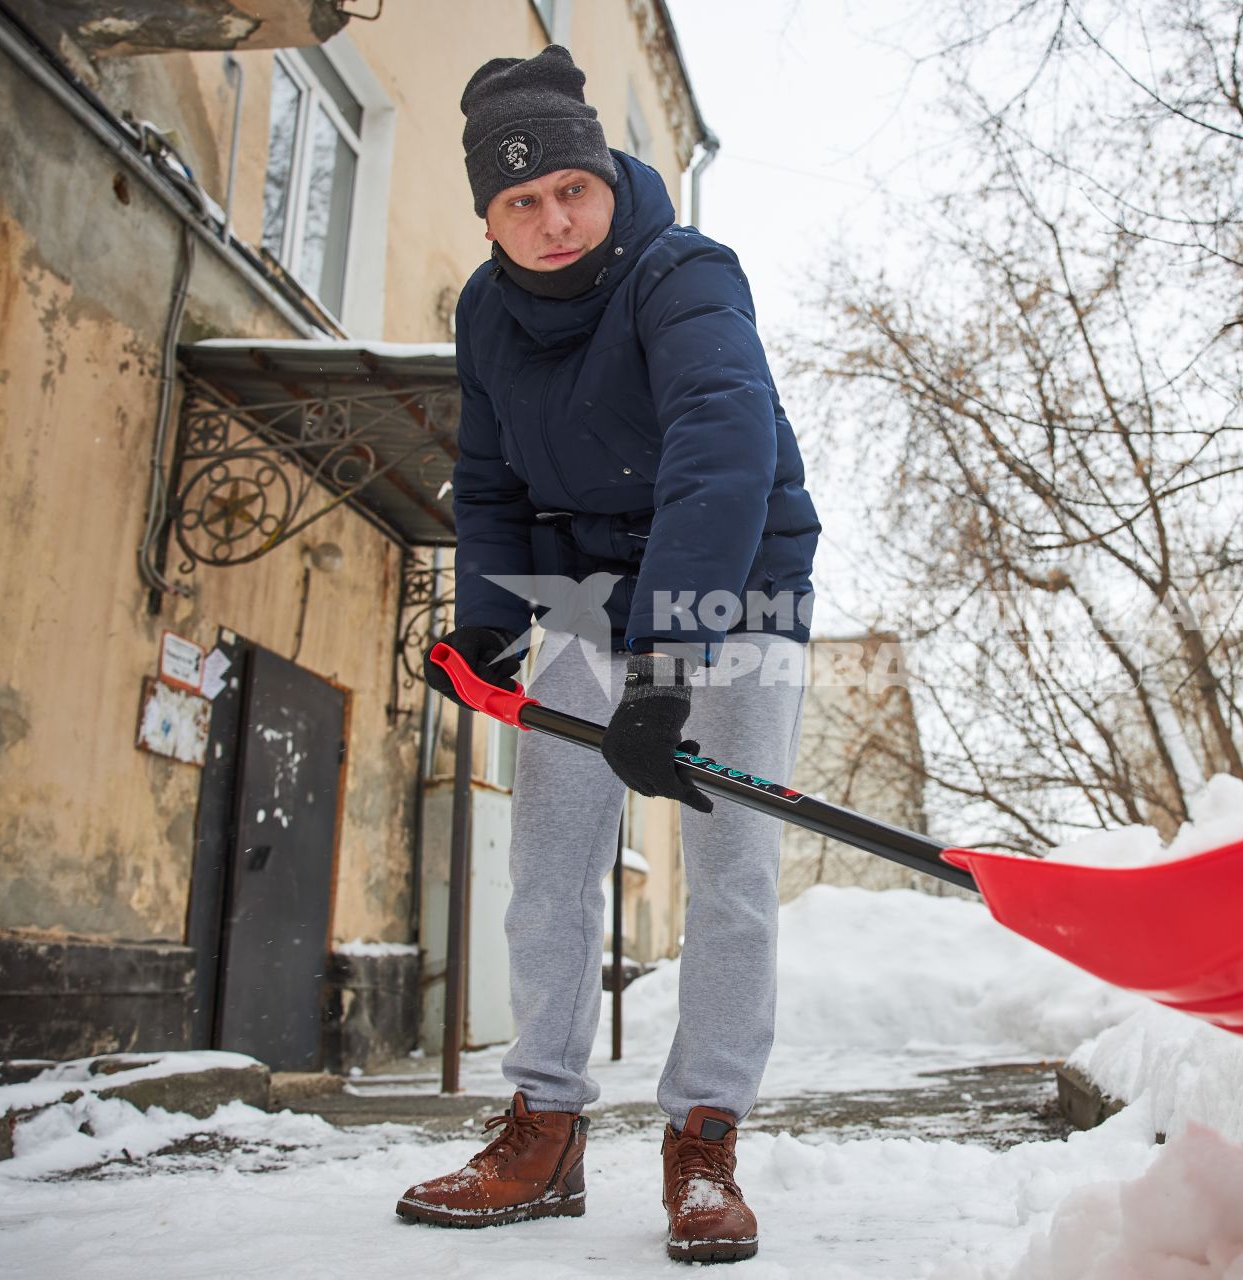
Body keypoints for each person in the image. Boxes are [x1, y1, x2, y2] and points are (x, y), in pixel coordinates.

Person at [394, 46, 819, 1265]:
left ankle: (704, 1136)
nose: (552, 220)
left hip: (732, 579)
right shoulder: (487, 310)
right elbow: (488, 481)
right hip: (580, 588)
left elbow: (721, 449)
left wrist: (670, 659)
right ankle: (544, 1126)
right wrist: (486, 621)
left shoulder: (682, 274)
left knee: (730, 870)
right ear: (489, 216)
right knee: (549, 861)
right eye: (518, 203)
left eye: (568, 189)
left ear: (604, 177)